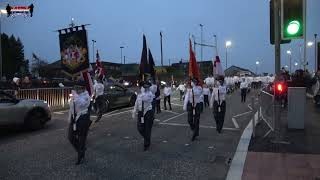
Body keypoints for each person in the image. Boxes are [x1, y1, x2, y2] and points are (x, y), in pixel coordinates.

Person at [68, 81, 92, 165]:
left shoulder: (87, 96)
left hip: (83, 118)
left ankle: (80, 155)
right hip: (74, 118)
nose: (76, 89)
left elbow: (83, 104)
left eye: (78, 88)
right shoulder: (75, 95)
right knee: (70, 137)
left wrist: (75, 96)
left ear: (83, 88)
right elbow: (71, 107)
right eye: (75, 88)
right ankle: (81, 150)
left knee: (82, 138)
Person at [132, 81, 154, 151]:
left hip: (148, 113)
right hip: (141, 113)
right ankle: (147, 138)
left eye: (146, 87)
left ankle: (146, 144)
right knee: (140, 128)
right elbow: (136, 103)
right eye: (144, 86)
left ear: (148, 87)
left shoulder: (150, 94)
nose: (145, 88)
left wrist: (141, 93)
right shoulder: (140, 94)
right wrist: (134, 112)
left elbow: (145, 99)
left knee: (147, 129)